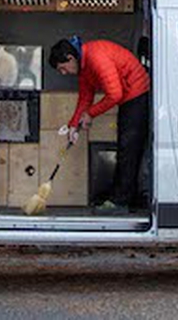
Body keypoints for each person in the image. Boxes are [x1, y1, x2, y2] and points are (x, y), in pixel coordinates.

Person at [49, 35, 151, 211]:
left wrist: (90, 114)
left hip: (137, 94)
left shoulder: (96, 58)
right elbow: (85, 98)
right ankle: (125, 197)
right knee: (126, 147)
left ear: (70, 58)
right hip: (127, 96)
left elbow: (115, 94)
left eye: (63, 68)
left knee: (128, 147)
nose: (64, 73)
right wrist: (74, 126)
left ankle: (121, 201)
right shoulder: (84, 68)